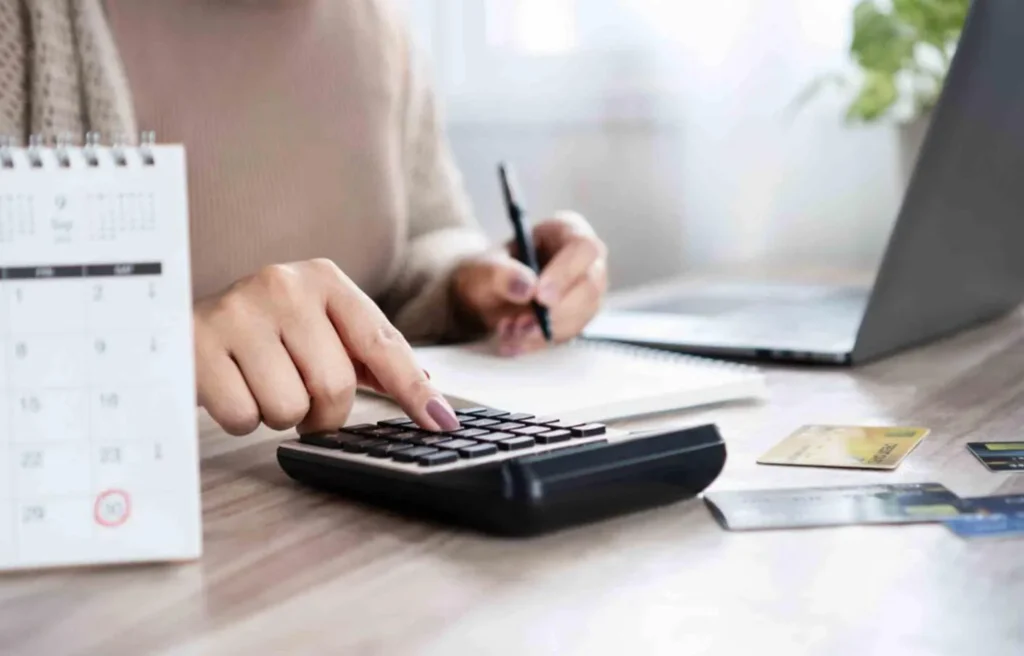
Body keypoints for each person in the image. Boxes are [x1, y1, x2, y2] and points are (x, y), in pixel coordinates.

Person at [0, 0, 608, 436]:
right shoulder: (29, 24)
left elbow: (426, 232)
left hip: (337, 519)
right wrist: (148, 345)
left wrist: (472, 282)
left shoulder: (381, 26)